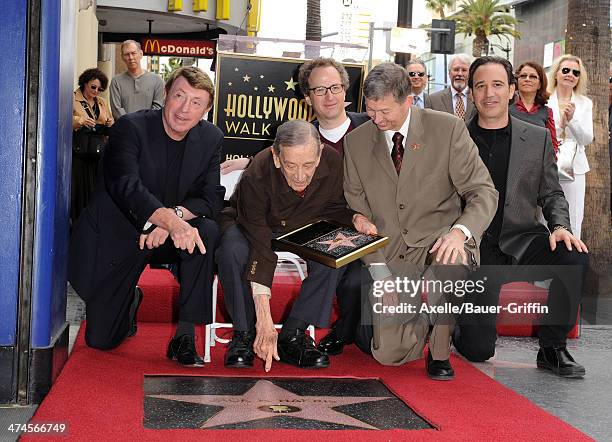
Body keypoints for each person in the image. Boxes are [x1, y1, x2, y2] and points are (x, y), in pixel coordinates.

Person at [343, 62, 498, 380]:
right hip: (390, 251)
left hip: (441, 238)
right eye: (371, 111)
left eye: (385, 111)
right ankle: (421, 317)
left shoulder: (448, 129)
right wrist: (380, 272)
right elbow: (358, 213)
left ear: (408, 100)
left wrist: (460, 232)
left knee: (449, 263)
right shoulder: (355, 143)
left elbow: (483, 191)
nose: (378, 120)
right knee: (389, 355)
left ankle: (440, 350)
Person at [69, 67, 224, 367]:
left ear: (206, 109)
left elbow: (211, 197)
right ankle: (130, 301)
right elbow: (125, 184)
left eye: (196, 102)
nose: (184, 108)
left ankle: (185, 335)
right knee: (101, 340)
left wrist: (173, 219)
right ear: (165, 95)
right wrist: (164, 220)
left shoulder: (211, 138)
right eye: (179, 96)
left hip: (167, 234)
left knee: (205, 231)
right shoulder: (130, 127)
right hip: (123, 231)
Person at [220, 57, 370, 356]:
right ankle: (244, 332)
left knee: (335, 248)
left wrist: (356, 218)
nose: (300, 175)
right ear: (276, 157)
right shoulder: (260, 167)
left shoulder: (331, 157)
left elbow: (334, 207)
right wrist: (264, 319)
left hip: (303, 225)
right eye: (291, 165)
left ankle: (294, 334)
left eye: (308, 165)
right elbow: (260, 244)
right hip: (253, 225)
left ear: (319, 156)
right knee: (231, 249)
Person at [454, 56, 589, 378]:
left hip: (520, 241)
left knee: (574, 256)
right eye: (481, 86)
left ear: (512, 90)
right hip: (474, 253)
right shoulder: (454, 137)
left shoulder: (537, 136)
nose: (490, 93)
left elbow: (552, 192)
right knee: (478, 350)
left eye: (498, 85)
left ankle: (552, 349)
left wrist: (560, 226)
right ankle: (457, 326)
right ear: (471, 93)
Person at [547, 54, 594, 239]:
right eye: (565, 70)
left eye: (575, 72)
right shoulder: (544, 99)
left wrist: (572, 120)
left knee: (574, 214)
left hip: (576, 166)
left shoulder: (584, 103)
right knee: (545, 213)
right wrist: (560, 123)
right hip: (547, 163)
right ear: (557, 73)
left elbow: (587, 138)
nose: (570, 75)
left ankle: (571, 260)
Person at [71, 68, 114, 224]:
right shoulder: (73, 98)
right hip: (79, 152)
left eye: (99, 88)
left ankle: (92, 221)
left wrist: (109, 122)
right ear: (84, 83)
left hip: (97, 152)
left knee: (95, 190)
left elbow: (109, 120)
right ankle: (78, 222)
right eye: (93, 87)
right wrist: (80, 121)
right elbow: (63, 120)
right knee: (79, 192)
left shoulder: (101, 102)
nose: (96, 91)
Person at [510, 61, 559, 155]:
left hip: (537, 165)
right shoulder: (507, 110)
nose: (527, 79)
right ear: (517, 81)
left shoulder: (547, 112)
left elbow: (552, 146)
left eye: (532, 76)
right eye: (523, 76)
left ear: (540, 84)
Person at [109, 40, 165, 121]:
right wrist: (132, 125)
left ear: (141, 54)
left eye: (133, 53)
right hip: (126, 130)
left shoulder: (157, 80)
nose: (131, 57)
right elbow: (116, 110)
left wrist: (142, 125)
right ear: (122, 57)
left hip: (149, 130)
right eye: (127, 54)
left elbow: (157, 108)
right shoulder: (116, 82)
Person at [426, 53, 476, 121]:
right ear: (449, 73)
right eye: (456, 70)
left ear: (470, 74)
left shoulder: (478, 98)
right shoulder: (433, 100)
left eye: (464, 70)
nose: (460, 74)